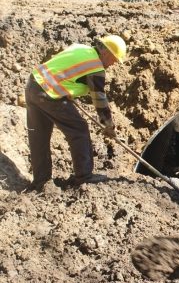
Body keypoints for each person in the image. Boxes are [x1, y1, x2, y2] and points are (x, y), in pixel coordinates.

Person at [25, 35, 127, 189]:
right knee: (79, 129)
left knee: (39, 136)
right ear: (105, 53)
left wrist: (66, 90)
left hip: (33, 85)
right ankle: (84, 177)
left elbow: (61, 69)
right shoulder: (96, 67)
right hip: (49, 94)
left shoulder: (81, 48)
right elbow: (99, 99)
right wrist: (109, 125)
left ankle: (41, 182)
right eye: (113, 59)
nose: (113, 64)